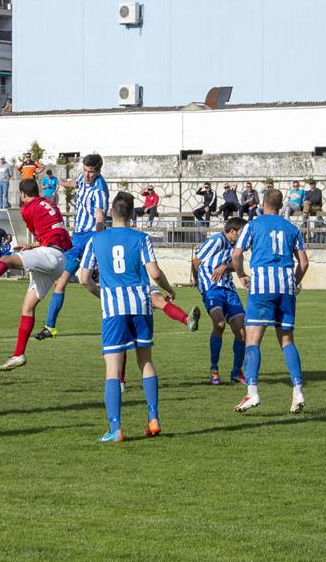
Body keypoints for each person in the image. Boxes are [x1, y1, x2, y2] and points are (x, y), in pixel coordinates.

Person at [77, 192, 175, 442]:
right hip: (141, 305)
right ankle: (153, 418)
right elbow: (154, 272)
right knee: (146, 361)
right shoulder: (141, 238)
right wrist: (169, 289)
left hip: (114, 309)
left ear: (111, 213)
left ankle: (115, 429)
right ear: (132, 214)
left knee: (113, 368)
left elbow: (84, 278)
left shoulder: (96, 239)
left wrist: (101, 294)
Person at [0, 179, 72, 370]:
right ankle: (18, 355)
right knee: (27, 307)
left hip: (48, 255)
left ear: (23, 194)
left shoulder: (27, 209)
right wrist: (32, 246)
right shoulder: (50, 204)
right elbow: (54, 233)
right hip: (59, 258)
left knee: (6, 260)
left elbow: (35, 230)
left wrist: (35, 244)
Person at [231, 188, 309, 413]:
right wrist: (293, 282)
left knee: (252, 340)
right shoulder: (292, 228)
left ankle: (252, 392)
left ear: (263, 203)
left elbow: (236, 254)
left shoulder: (253, 225)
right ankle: (298, 390)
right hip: (286, 288)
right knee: (287, 341)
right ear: (281, 205)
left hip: (262, 286)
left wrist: (241, 275)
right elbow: (304, 263)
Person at [35, 154, 108, 341]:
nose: (87, 175)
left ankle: (113, 305)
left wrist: (99, 244)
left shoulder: (100, 189)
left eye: (91, 172)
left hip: (91, 236)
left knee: (85, 281)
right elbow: (74, 183)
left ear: (99, 171)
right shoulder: (83, 179)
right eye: (85, 170)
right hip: (77, 239)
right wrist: (60, 182)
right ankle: (50, 327)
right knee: (61, 281)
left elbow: (100, 218)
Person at [192, 218, 248, 386]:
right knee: (220, 324)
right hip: (211, 288)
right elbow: (196, 261)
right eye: (241, 233)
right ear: (232, 232)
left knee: (242, 331)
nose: (244, 236)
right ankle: (214, 369)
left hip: (229, 289)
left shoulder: (238, 246)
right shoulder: (216, 240)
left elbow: (237, 265)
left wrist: (225, 266)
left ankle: (236, 372)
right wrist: (198, 282)